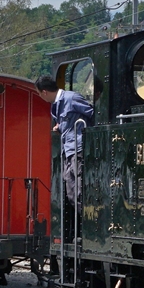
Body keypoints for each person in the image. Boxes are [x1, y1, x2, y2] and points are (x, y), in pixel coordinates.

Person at [35, 75, 94, 241]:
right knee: (71, 191)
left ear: (44, 92)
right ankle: (82, 228)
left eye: (39, 94)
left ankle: (88, 228)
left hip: (79, 148)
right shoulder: (56, 106)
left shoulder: (72, 98)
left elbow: (93, 114)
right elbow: (67, 123)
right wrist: (60, 126)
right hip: (68, 151)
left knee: (80, 189)